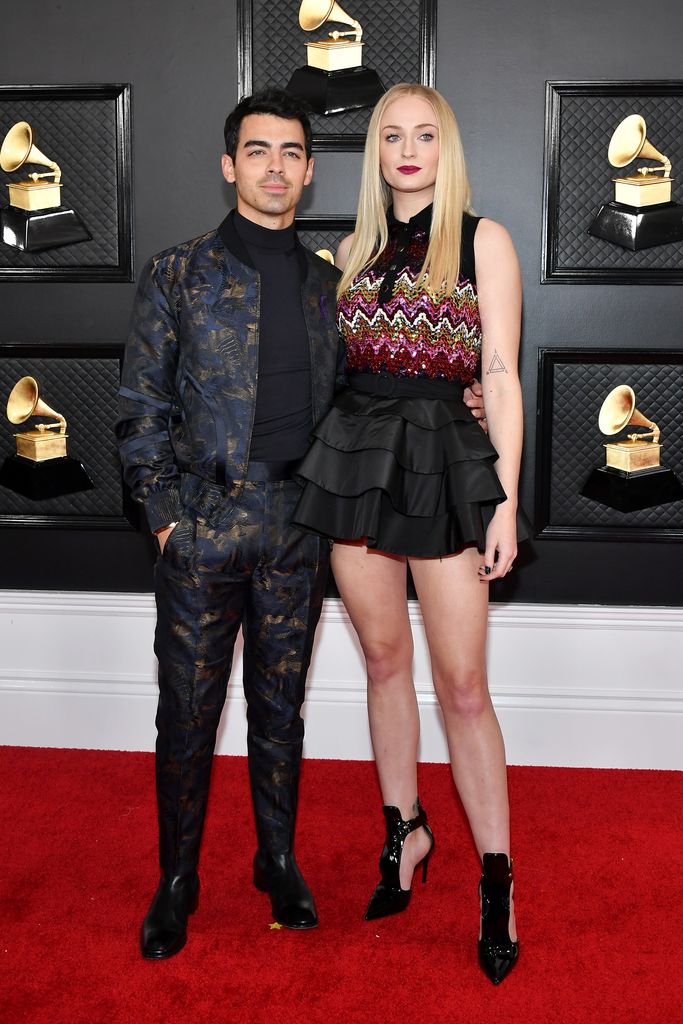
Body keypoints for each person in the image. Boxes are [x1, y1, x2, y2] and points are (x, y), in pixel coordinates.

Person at [292, 83, 524, 984]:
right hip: (354, 463)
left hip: (446, 467)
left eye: (425, 135)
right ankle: (405, 831)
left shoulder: (483, 239)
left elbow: (498, 374)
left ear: (446, 146)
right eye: (392, 136)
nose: (408, 150)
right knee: (383, 664)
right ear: (374, 151)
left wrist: (504, 498)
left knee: (462, 686)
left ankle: (497, 880)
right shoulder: (347, 251)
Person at [115, 88, 344, 958]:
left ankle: (275, 859)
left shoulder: (328, 286)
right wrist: (167, 521)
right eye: (258, 151)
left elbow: (360, 403)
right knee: (187, 712)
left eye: (289, 152)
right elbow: (139, 406)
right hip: (204, 526)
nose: (274, 167)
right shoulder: (178, 274)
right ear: (229, 164)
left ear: (308, 170)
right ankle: (176, 880)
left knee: (279, 712)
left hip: (296, 526)